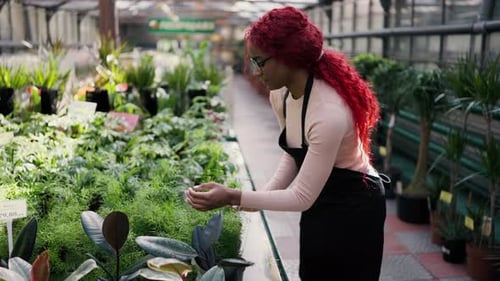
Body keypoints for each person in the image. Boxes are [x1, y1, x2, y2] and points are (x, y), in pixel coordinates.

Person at [186, 6, 386, 281]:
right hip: (320, 200)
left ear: (287, 58)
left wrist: (234, 196)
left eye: (259, 61)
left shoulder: (327, 111)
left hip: (356, 204)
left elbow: (302, 196)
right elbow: (294, 154)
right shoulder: (280, 95)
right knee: (313, 271)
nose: (255, 72)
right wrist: (259, 198)